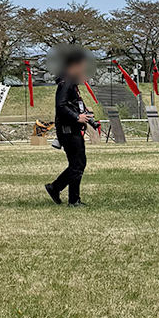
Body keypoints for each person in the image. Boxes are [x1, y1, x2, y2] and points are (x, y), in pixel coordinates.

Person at [45, 47, 94, 207]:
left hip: (71, 128)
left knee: (77, 163)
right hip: (68, 129)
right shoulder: (66, 83)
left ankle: (56, 187)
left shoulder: (70, 82)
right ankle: (73, 200)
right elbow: (61, 106)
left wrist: (84, 113)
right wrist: (77, 117)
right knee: (78, 163)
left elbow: (70, 104)